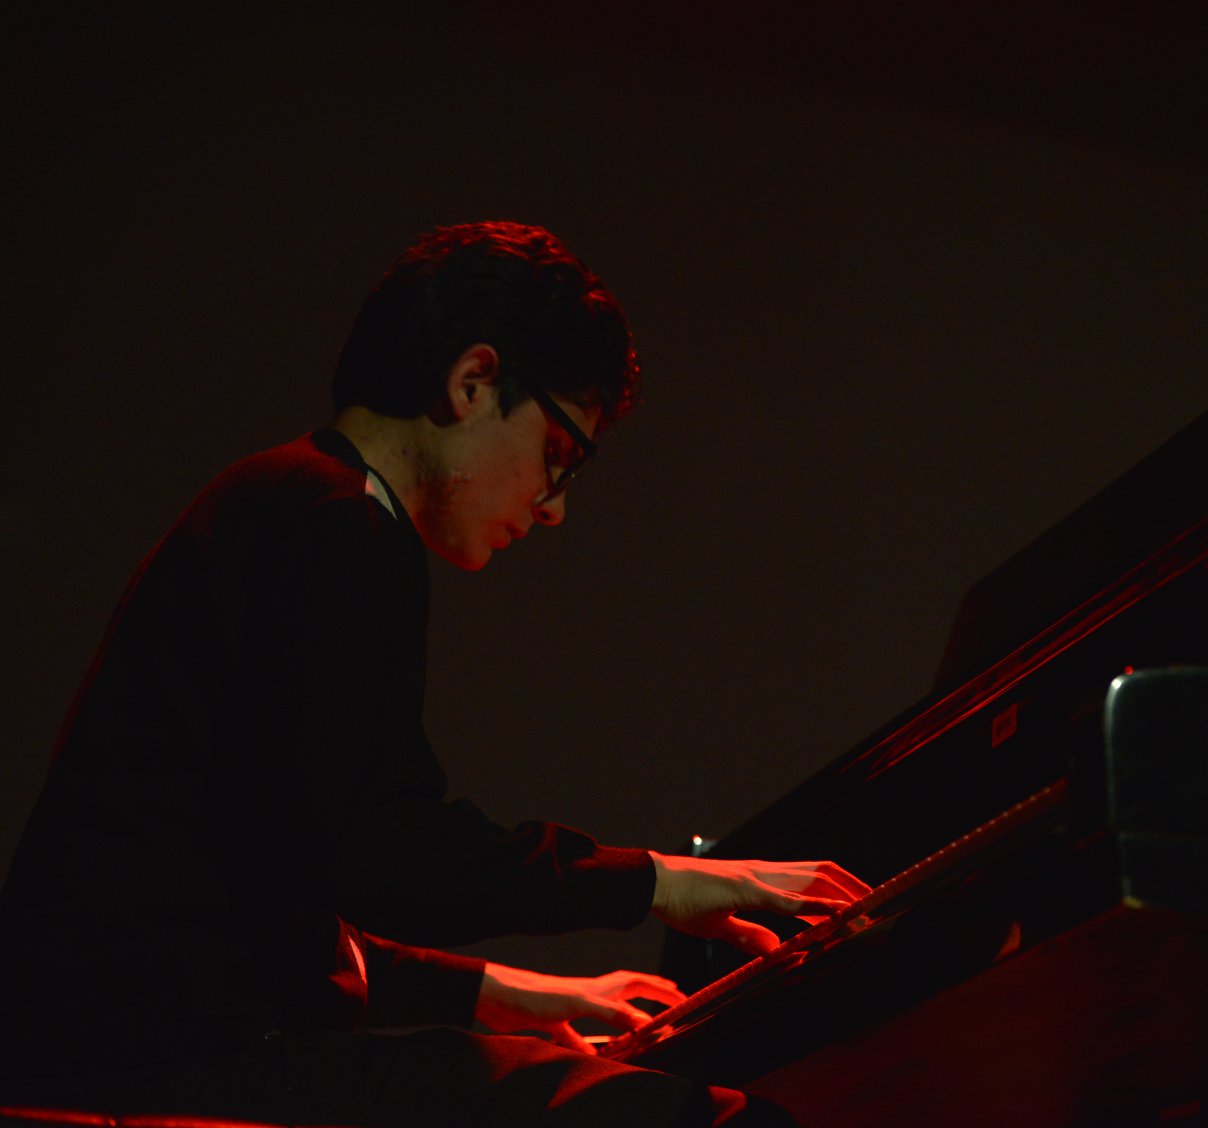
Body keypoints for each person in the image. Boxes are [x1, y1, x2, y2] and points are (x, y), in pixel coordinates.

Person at [0, 222, 871, 1126]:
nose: (555, 507)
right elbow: (388, 855)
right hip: (157, 1078)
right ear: (474, 382)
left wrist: (503, 992)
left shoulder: (285, 498)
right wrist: (664, 881)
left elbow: (267, 890)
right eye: (559, 454)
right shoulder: (337, 528)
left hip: (114, 1054)